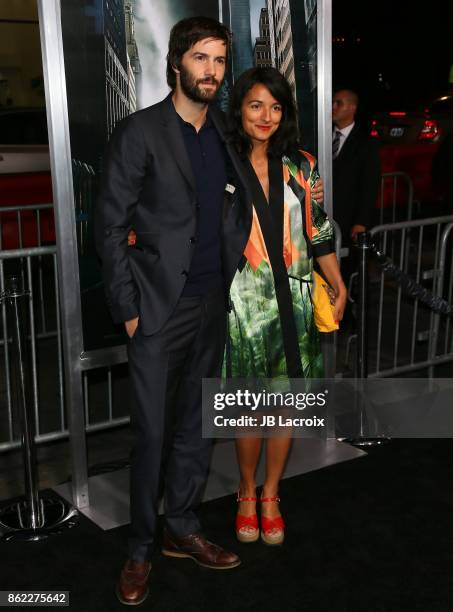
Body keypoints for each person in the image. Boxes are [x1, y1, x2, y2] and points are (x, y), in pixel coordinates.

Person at [96, 17, 250, 606]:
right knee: (154, 435)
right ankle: (139, 549)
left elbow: (234, 208)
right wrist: (129, 310)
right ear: (177, 64)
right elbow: (109, 226)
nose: (211, 70)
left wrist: (230, 265)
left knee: (195, 429)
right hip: (158, 313)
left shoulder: (224, 138)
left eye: (218, 60)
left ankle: (183, 528)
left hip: (212, 306)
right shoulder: (140, 132)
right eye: (200, 58)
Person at [225, 67, 347, 545]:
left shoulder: (303, 166)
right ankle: (245, 491)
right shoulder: (222, 162)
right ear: (239, 109)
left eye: (276, 107)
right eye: (256, 105)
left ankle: (271, 492)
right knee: (248, 408)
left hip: (293, 301)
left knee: (285, 407)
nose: (266, 116)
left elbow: (318, 230)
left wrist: (336, 281)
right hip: (240, 304)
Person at [332, 88, 381, 288]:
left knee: (346, 276)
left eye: (339, 103)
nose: (333, 107)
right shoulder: (323, 136)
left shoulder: (365, 143)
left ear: (352, 108)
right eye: (333, 102)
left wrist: (361, 222)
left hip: (348, 222)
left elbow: (370, 185)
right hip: (325, 220)